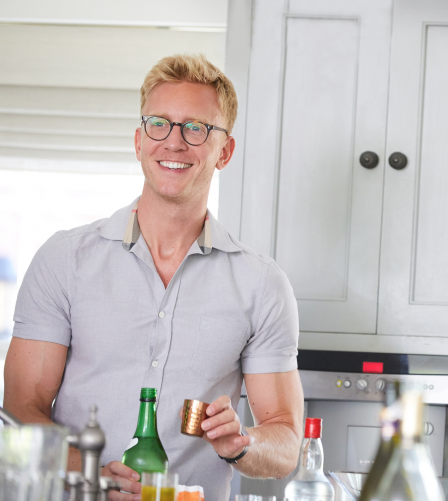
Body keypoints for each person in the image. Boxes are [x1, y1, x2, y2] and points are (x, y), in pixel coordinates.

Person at [3, 54, 304, 501]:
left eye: (196, 128)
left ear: (224, 151)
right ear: (139, 139)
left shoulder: (261, 284)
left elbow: (285, 443)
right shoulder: (65, 259)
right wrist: (92, 474)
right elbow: (20, 409)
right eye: (159, 123)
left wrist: (243, 443)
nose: (175, 142)